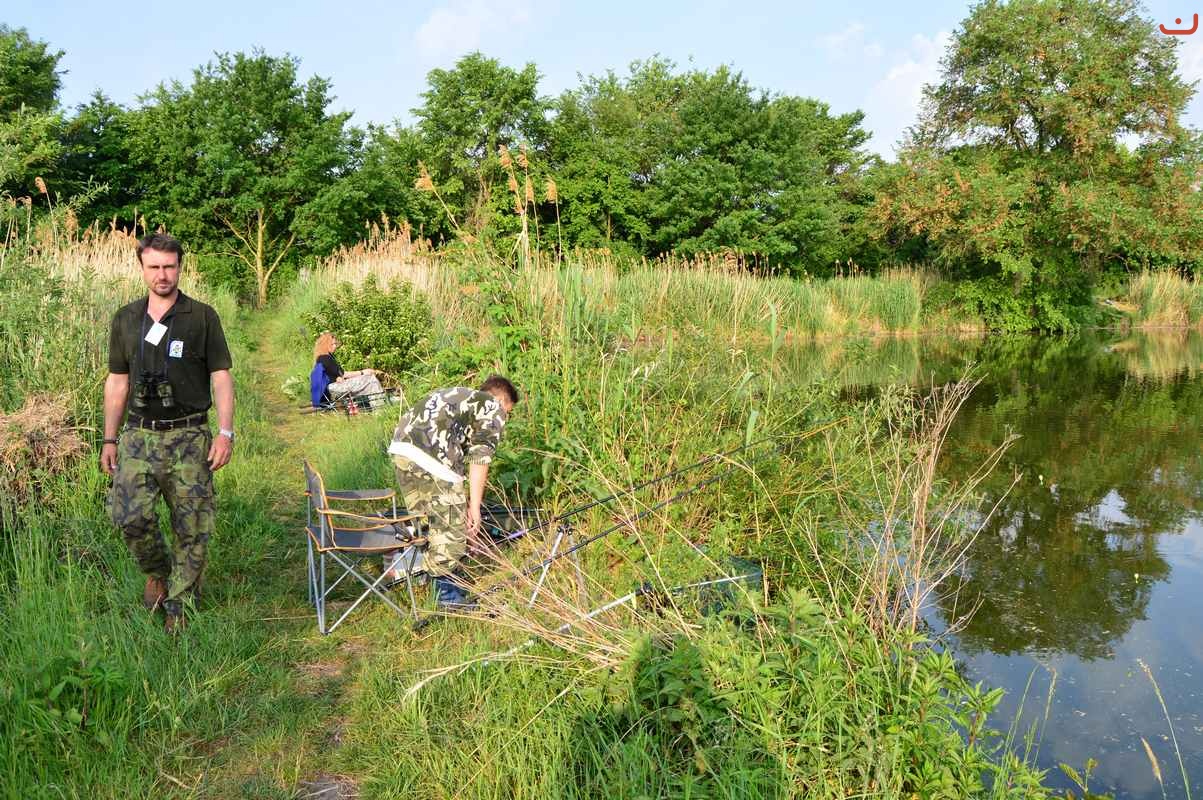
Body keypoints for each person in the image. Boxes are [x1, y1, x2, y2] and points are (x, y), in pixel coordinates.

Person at [101, 233, 235, 634]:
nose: (162, 275)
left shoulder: (202, 317)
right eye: (154, 267)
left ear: (180, 267)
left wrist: (225, 433)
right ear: (142, 268)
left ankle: (180, 602)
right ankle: (159, 574)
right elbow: (117, 382)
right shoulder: (126, 318)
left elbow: (221, 377)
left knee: (192, 524)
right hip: (138, 436)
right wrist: (109, 439)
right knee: (129, 516)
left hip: (189, 435)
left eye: (169, 266)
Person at [387, 376, 519, 608]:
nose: (505, 418)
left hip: (401, 449)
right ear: (500, 400)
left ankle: (442, 580)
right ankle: (448, 599)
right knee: (452, 534)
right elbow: (480, 460)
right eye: (508, 412)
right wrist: (474, 508)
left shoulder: (460, 396)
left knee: (429, 524)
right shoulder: (492, 406)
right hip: (432, 457)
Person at [311, 331, 386, 409]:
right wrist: (363, 372)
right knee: (370, 379)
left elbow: (330, 374)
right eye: (332, 344)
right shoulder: (325, 358)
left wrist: (337, 378)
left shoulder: (323, 358)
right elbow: (344, 374)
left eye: (335, 344)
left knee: (371, 385)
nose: (335, 346)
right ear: (325, 345)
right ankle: (380, 408)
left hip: (332, 387)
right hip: (333, 388)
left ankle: (377, 408)